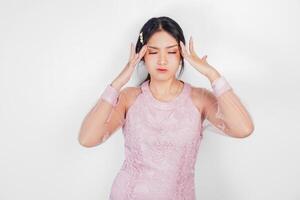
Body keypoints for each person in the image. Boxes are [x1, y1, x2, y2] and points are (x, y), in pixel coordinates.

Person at [78, 16, 254, 200]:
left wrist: (212, 74)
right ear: (142, 55)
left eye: (171, 52)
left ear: (182, 55)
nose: (162, 60)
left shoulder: (199, 99)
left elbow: (243, 128)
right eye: (153, 52)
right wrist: (118, 83)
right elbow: (87, 138)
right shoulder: (129, 98)